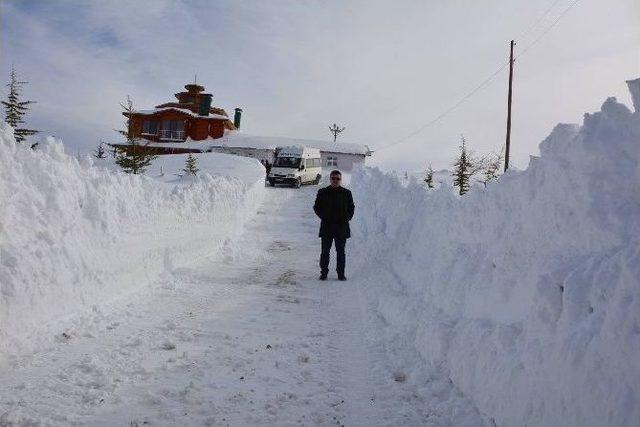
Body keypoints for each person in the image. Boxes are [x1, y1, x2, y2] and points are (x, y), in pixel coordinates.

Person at [313, 170, 355, 281]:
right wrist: (324, 217)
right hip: (327, 227)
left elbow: (352, 208)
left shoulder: (347, 193)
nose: (335, 180)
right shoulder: (322, 192)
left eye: (338, 178)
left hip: (341, 228)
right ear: (330, 179)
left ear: (340, 180)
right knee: (325, 251)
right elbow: (316, 207)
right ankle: (324, 273)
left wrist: (346, 218)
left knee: (341, 252)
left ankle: (341, 273)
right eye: (333, 178)